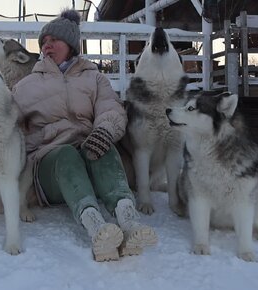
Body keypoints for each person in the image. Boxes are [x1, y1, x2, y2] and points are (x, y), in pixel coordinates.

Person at [12, 9, 158, 262]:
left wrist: (104, 130)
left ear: (70, 45)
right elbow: (5, 126)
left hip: (88, 151)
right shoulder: (25, 87)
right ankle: (96, 228)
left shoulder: (95, 78)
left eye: (53, 41)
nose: (47, 46)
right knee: (66, 154)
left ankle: (128, 220)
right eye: (44, 42)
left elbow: (110, 108)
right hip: (48, 164)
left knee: (103, 146)